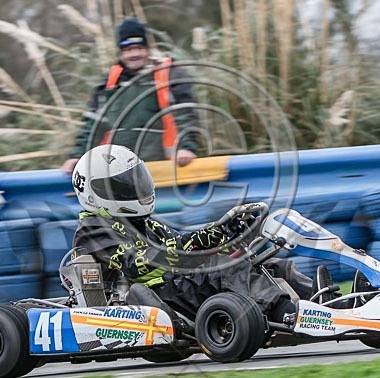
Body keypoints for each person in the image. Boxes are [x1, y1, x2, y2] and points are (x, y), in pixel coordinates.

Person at [70, 144, 304, 324]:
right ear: (95, 192)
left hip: (178, 287)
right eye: (124, 185)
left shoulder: (142, 223)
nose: (135, 188)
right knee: (223, 267)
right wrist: (194, 248)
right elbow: (136, 265)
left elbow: (180, 244)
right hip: (155, 296)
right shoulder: (94, 231)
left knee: (268, 265)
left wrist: (221, 235)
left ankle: (319, 303)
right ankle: (287, 314)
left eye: (136, 180)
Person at [61, 17, 198, 175]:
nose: (134, 54)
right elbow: (93, 125)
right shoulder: (109, 83)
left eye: (139, 48)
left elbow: (185, 114)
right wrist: (78, 155)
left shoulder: (170, 75)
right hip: (118, 173)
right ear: (121, 52)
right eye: (128, 49)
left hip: (164, 171)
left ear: (148, 49)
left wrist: (186, 147)